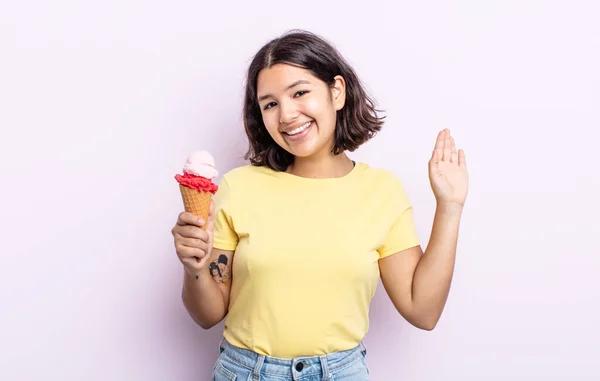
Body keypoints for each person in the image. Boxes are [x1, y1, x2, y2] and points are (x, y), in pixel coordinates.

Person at [171, 30, 468, 381]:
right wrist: (195, 267)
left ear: (336, 91)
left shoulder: (381, 191)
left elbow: (423, 311)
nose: (286, 115)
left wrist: (449, 206)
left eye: (299, 93)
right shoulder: (238, 188)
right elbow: (207, 315)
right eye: (270, 103)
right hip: (248, 372)